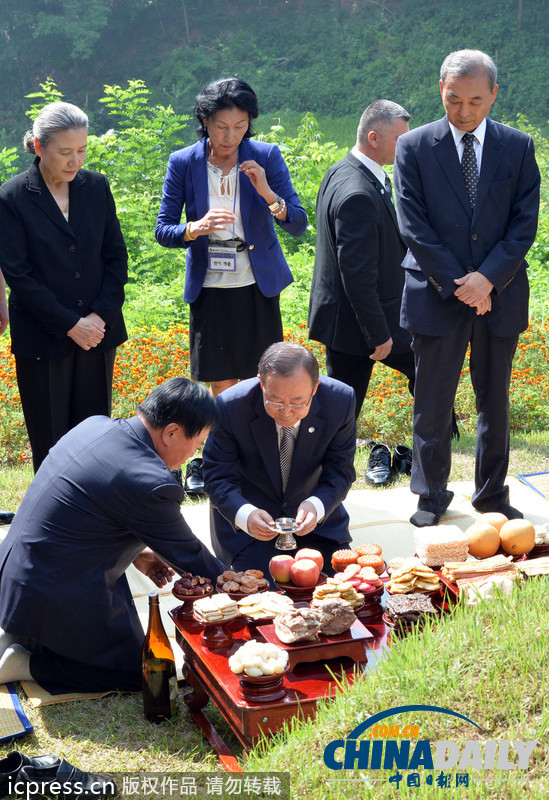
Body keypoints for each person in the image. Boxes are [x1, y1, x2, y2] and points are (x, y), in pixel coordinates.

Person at [0, 378, 226, 694]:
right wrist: (248, 592)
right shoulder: (149, 481)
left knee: (127, 637)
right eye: (197, 443)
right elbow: (191, 555)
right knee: (145, 673)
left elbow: (86, 511)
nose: (192, 455)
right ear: (172, 432)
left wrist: (137, 554)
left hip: (20, 570)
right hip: (51, 589)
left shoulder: (95, 425)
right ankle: (23, 662)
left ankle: (28, 631)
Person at [393, 49, 540, 527]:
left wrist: (488, 279)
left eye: (476, 101)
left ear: (493, 95)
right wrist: (462, 283)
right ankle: (431, 495)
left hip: (500, 293)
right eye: (455, 99)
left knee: (493, 399)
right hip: (438, 292)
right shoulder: (413, 146)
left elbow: (524, 224)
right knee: (432, 399)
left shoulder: (517, 146)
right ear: (441, 89)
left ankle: (492, 493)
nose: (464, 111)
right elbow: (413, 225)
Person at [155, 77, 307, 399]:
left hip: (257, 286)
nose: (230, 136)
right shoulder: (183, 162)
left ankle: (259, 448)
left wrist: (268, 195)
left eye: (240, 126)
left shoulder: (266, 156)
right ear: (205, 120)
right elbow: (163, 229)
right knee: (221, 389)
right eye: (222, 126)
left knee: (263, 382)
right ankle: (225, 448)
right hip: (210, 289)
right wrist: (194, 228)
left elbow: (298, 223)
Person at [0, 102, 128, 473]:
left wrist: (97, 316)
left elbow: (116, 258)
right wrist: (71, 324)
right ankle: (52, 525)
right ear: (39, 147)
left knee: (94, 438)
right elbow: (19, 275)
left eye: (82, 150)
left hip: (98, 333)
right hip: (43, 337)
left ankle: (95, 521)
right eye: (65, 152)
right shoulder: (12, 197)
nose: (76, 161)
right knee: (51, 439)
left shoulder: (96, 187)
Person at [202, 342, 356, 581]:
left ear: (315, 388)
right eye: (274, 401)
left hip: (318, 526)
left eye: (297, 402)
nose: (285, 411)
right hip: (252, 531)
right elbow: (217, 477)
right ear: (261, 383)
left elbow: (341, 471)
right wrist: (246, 514)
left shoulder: (340, 401)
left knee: (339, 590)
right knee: (265, 597)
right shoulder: (231, 406)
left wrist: (316, 505)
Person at [309, 100, 411, 421]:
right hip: (358, 324)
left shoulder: (341, 171)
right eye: (399, 139)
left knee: (428, 369)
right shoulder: (358, 194)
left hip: (354, 317)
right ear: (374, 138)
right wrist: (377, 333)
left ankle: (441, 433)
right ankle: (324, 463)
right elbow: (356, 272)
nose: (405, 145)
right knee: (340, 413)